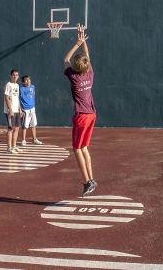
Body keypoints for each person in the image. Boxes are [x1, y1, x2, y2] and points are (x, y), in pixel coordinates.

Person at [63, 23, 97, 196]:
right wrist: (83, 41)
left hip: (82, 116)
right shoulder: (89, 72)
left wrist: (77, 42)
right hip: (92, 114)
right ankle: (91, 178)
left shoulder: (74, 78)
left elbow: (65, 60)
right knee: (84, 148)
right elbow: (87, 57)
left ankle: (87, 182)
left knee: (76, 149)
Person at [19, 75, 42, 146]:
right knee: (25, 125)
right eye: (26, 80)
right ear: (23, 82)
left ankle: (34, 139)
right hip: (25, 109)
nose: (28, 81)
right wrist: (20, 109)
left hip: (32, 108)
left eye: (29, 79)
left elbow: (33, 95)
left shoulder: (33, 87)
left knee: (33, 124)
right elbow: (18, 99)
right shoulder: (21, 89)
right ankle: (23, 140)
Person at [3, 69, 22, 154]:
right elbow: (6, 97)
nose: (15, 76)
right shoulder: (8, 84)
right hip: (10, 111)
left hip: (16, 110)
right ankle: (9, 148)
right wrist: (10, 110)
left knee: (17, 128)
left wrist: (20, 109)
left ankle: (14, 146)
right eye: (14, 75)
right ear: (11, 76)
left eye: (17, 75)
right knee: (10, 129)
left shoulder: (17, 85)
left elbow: (16, 98)